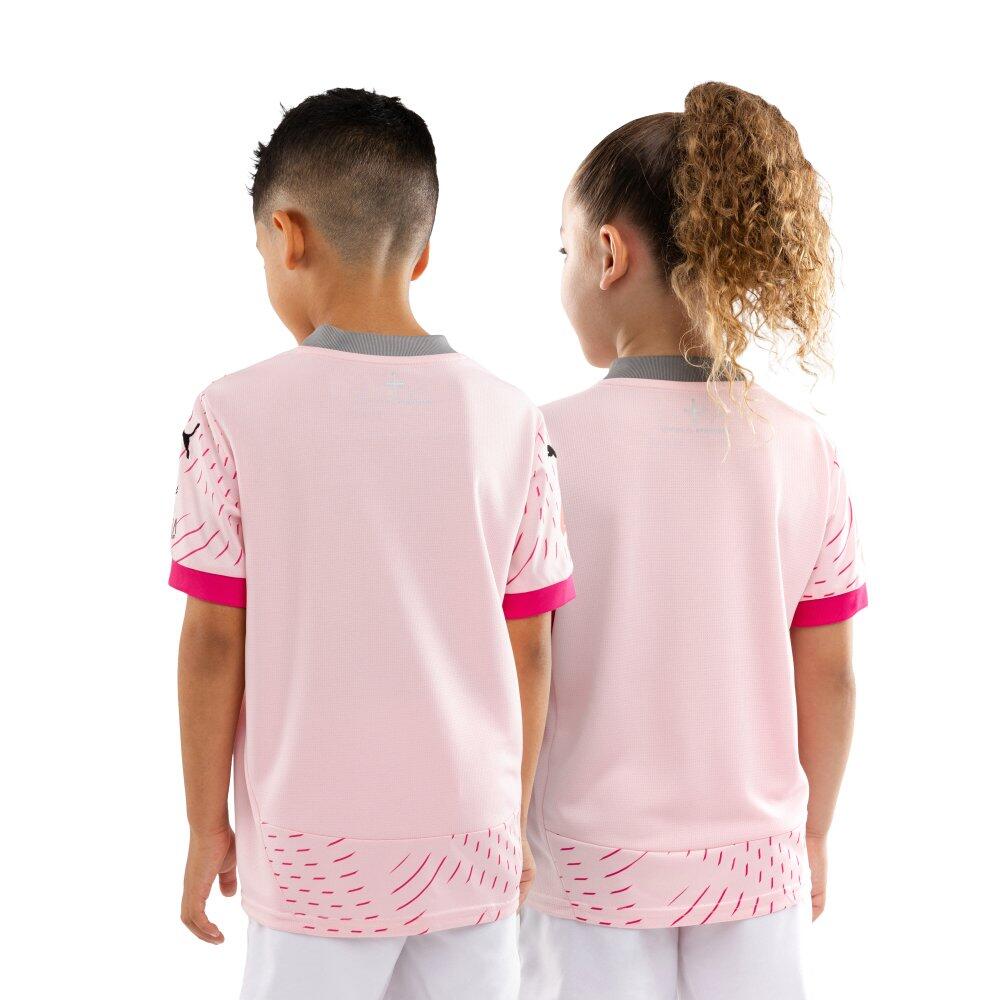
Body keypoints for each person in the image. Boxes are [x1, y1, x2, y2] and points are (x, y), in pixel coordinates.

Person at [169, 87, 575, 1000]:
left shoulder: (232, 416)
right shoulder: (511, 418)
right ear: (421, 252)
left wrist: (204, 826)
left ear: (286, 236)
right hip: (470, 847)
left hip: (311, 856)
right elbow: (532, 647)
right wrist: (510, 820)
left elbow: (213, 641)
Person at [520, 82, 867, 1000]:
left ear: (607, 254)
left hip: (590, 865)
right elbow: (830, 673)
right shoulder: (802, 447)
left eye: (563, 250)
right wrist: (814, 833)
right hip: (756, 865)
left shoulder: (539, 443)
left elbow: (521, 661)